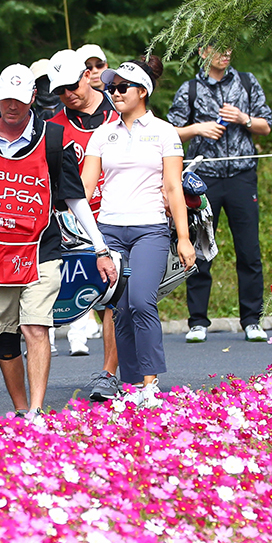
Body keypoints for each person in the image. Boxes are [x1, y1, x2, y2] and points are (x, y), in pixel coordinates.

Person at [0, 64, 117, 419]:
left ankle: (35, 409)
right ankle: (20, 409)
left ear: (32, 97)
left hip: (40, 250)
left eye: (18, 99)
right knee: (4, 335)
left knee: (35, 326)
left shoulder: (53, 139)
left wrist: (100, 247)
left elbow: (75, 197)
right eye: (6, 99)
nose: (12, 106)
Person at [81, 58, 196, 407]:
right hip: (110, 230)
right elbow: (85, 187)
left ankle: (150, 382)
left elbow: (173, 188)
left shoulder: (164, 132)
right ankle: (131, 385)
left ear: (143, 91)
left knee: (141, 301)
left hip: (150, 228)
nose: (114, 93)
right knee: (118, 308)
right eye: (111, 88)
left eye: (122, 87)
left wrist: (184, 238)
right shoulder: (102, 134)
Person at [167, 45, 272, 343]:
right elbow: (170, 132)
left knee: (249, 250)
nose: (225, 53)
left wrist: (243, 118)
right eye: (217, 47)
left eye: (229, 46)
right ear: (203, 52)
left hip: (242, 176)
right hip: (203, 179)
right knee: (199, 250)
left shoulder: (247, 82)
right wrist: (198, 129)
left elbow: (266, 126)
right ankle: (197, 322)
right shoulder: (189, 89)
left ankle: (252, 320)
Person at [43, 48, 122, 386]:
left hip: (122, 215)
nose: (68, 94)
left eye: (72, 86)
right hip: (77, 225)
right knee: (98, 296)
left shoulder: (120, 110)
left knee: (119, 297)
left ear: (88, 76)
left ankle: (110, 372)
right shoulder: (52, 128)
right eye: (60, 90)